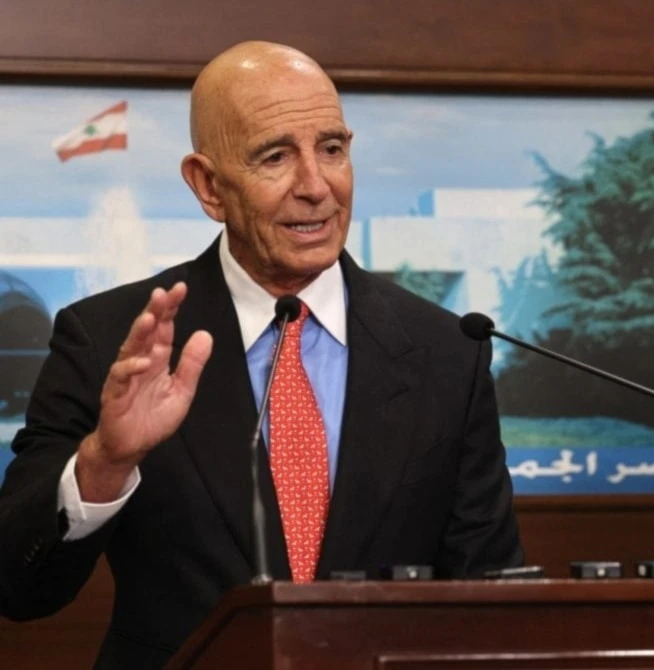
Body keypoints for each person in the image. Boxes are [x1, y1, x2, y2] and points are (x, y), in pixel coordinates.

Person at [0, 41, 523, 668]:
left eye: (332, 149)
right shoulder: (109, 337)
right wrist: (104, 464)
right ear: (208, 186)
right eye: (275, 157)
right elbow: (19, 588)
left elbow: (492, 602)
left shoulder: (446, 349)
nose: (315, 186)